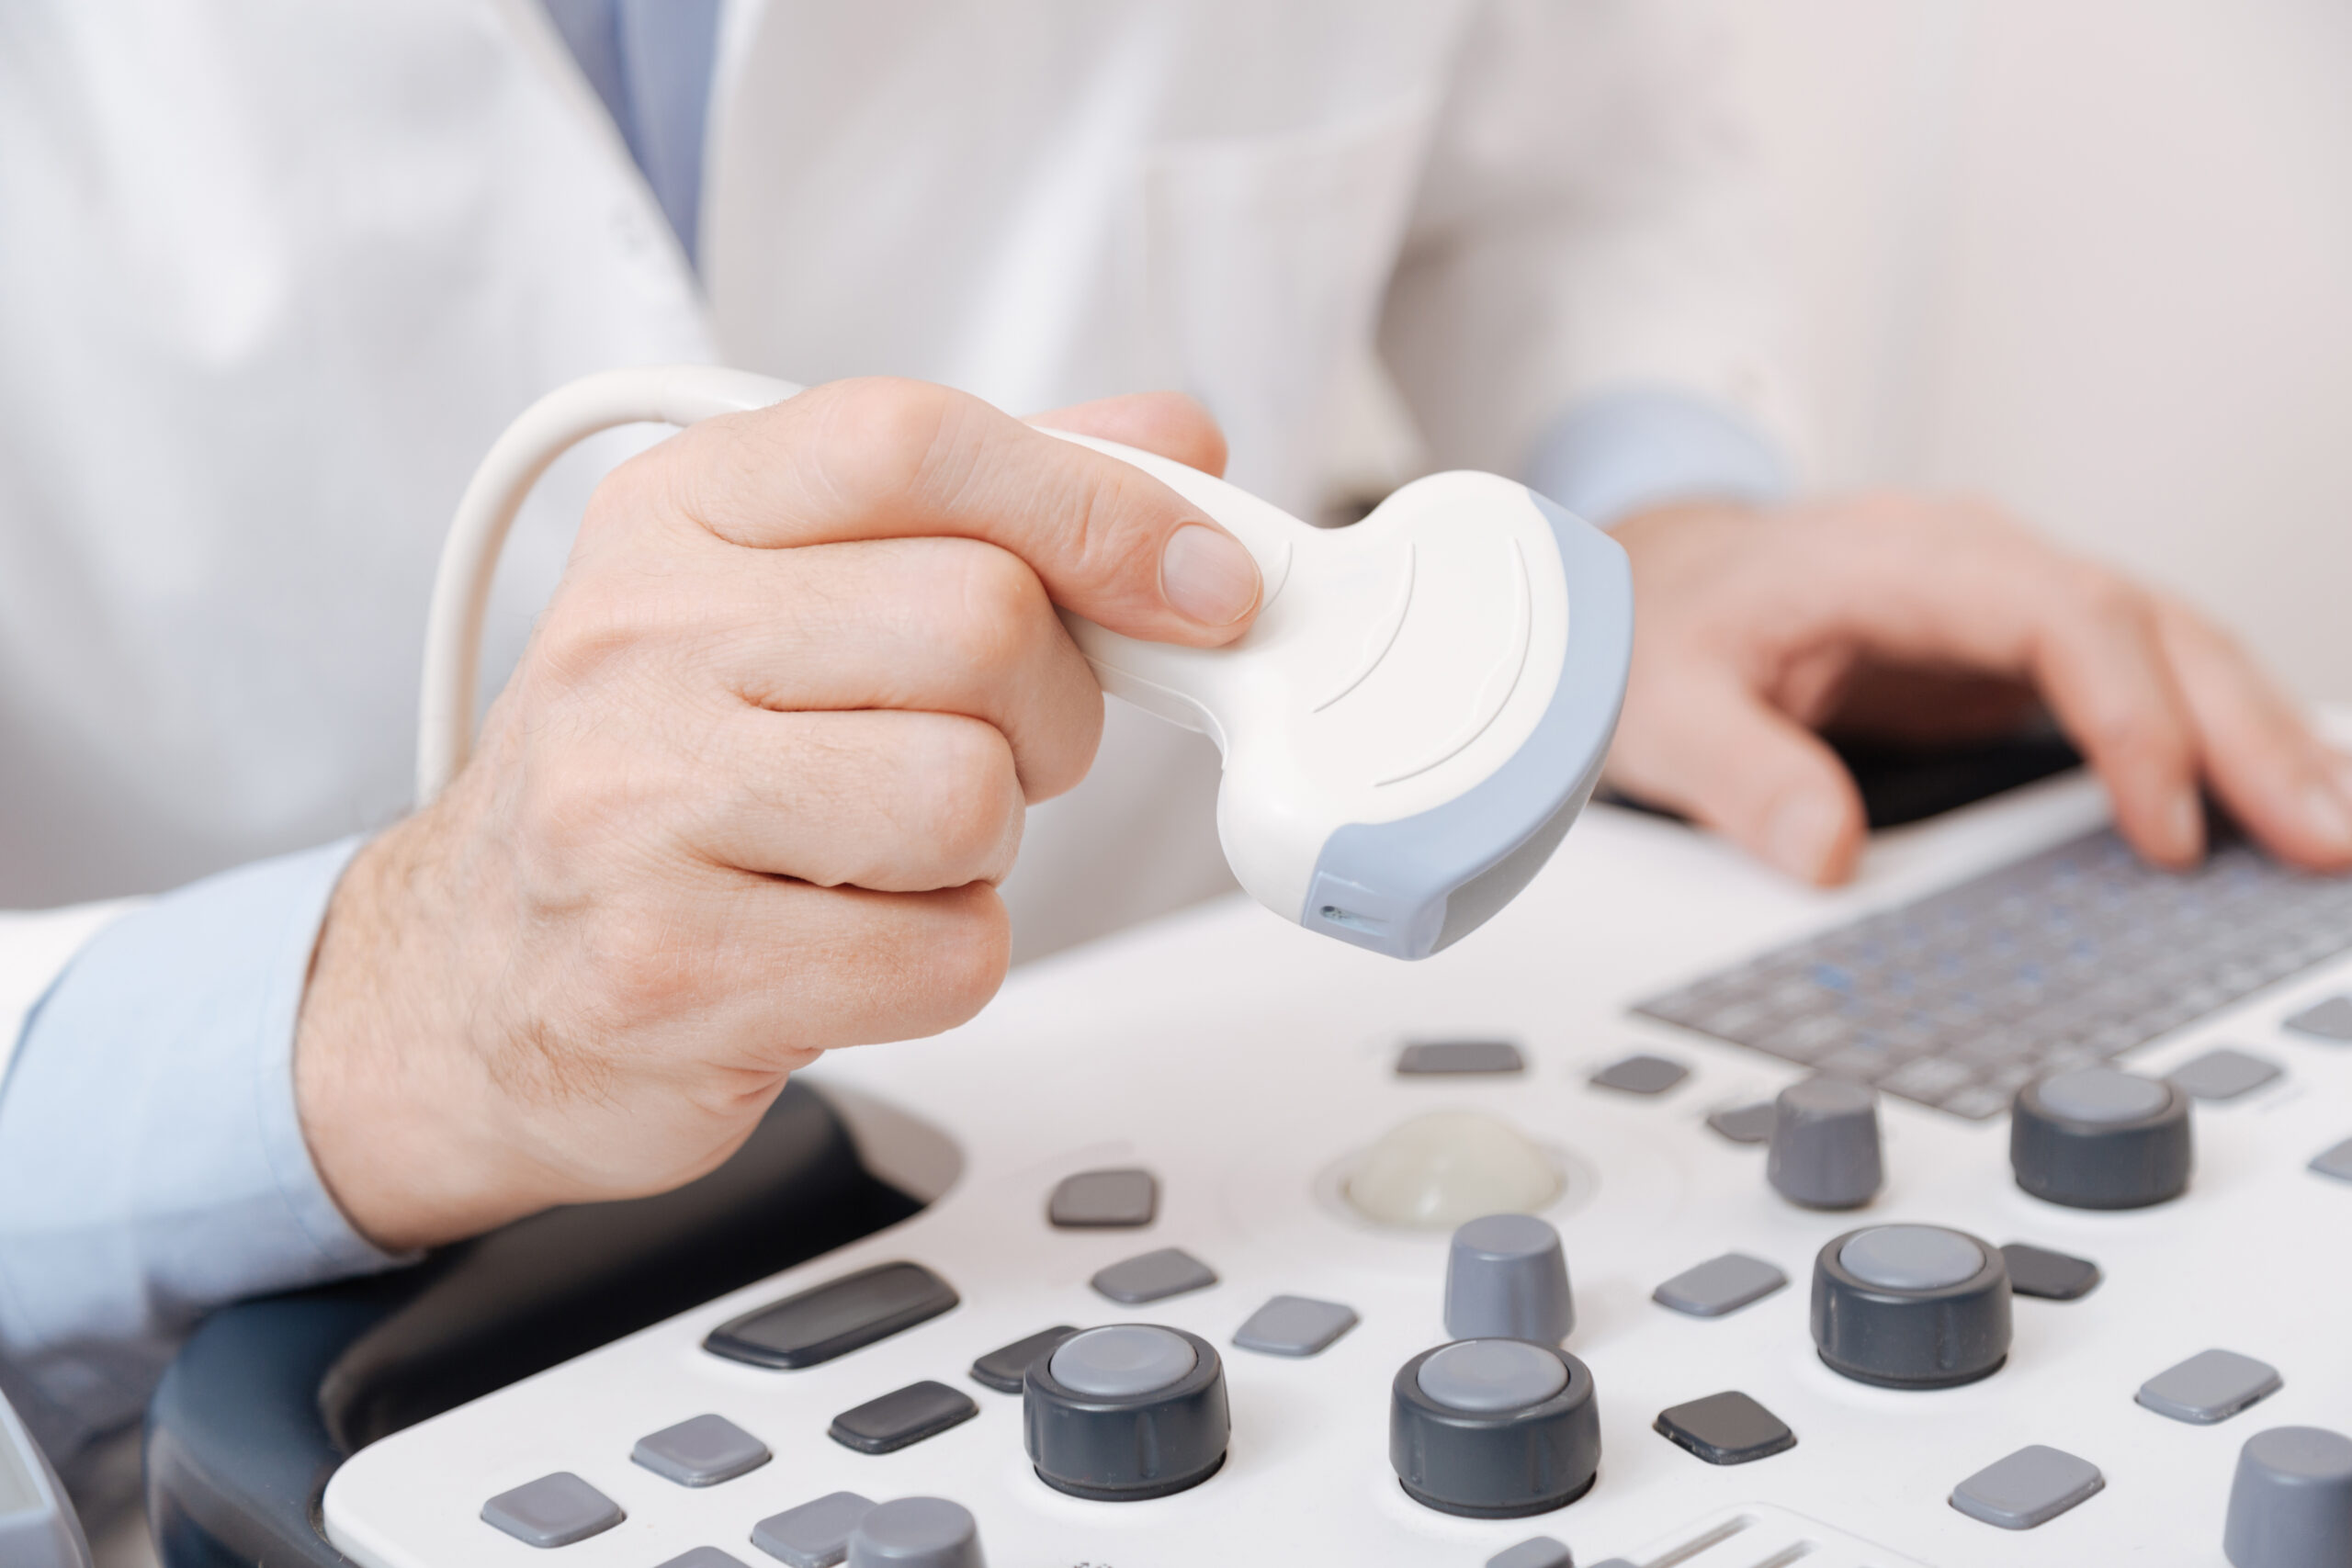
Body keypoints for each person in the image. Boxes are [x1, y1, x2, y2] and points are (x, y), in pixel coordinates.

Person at [3, 0, 2346, 1519]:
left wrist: (1658, 513)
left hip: (1174, 1098)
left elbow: (1557, 140)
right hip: (218, 1371)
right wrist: (384, 1005)